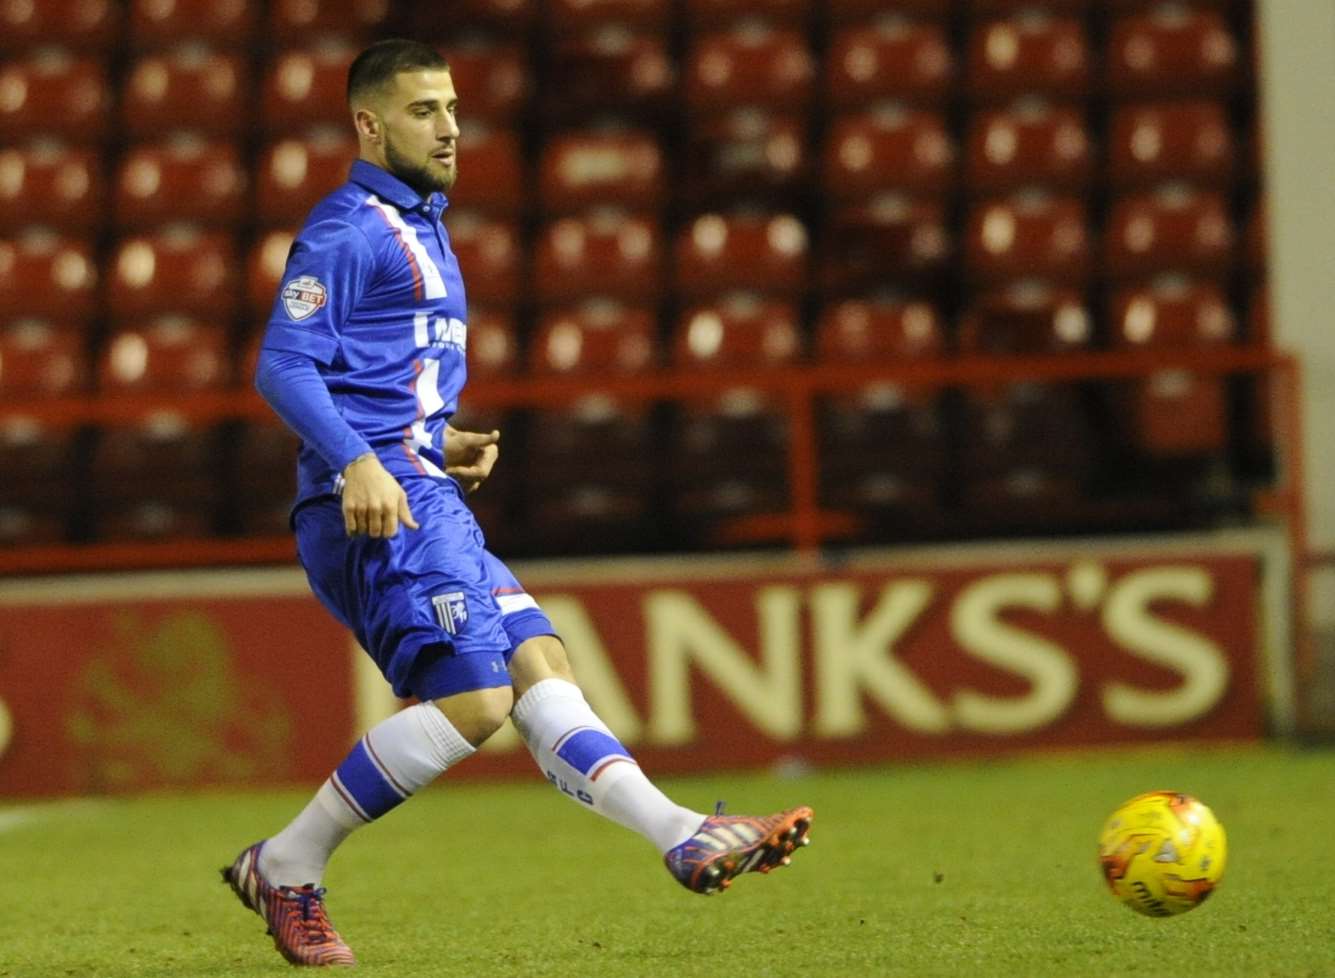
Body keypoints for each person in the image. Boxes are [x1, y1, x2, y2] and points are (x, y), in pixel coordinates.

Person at [222, 38, 813, 967]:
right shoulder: (348, 230)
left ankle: (679, 832)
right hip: (380, 505)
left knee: (540, 658)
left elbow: (378, 376)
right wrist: (360, 463)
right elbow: (282, 365)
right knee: (475, 700)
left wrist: (431, 438)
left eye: (452, 107)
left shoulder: (424, 226)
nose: (449, 126)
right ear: (369, 124)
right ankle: (288, 863)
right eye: (424, 110)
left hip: (418, 483)